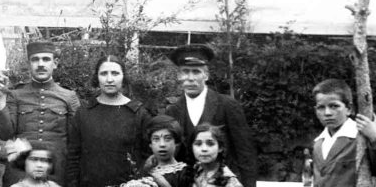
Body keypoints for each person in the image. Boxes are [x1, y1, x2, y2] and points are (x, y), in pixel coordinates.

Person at [159, 45, 256, 184]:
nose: (190, 78)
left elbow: (245, 153)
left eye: (196, 72)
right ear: (179, 76)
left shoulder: (227, 105)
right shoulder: (172, 111)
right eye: (185, 72)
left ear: (206, 75)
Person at [68, 55, 149, 187]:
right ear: (96, 77)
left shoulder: (139, 114)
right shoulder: (83, 114)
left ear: (124, 77)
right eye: (104, 73)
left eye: (115, 73)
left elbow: (147, 159)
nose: (109, 79)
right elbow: (73, 159)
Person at [0, 40, 80, 163]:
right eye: (35, 59)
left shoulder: (69, 97)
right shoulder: (16, 95)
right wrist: (1, 98)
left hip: (56, 165)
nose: (40, 64)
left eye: (46, 59)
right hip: (22, 165)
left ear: (55, 63)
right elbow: (4, 135)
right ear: (29, 64)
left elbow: (76, 140)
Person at [307, 79, 376, 187]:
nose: (327, 113)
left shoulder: (360, 136)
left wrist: (375, 137)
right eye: (321, 107)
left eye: (334, 106)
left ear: (349, 109)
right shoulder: (318, 143)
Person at [126, 115, 188, 187]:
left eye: (167, 139)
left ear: (176, 143)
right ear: (150, 145)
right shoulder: (145, 172)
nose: (162, 144)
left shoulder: (185, 174)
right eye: (156, 139)